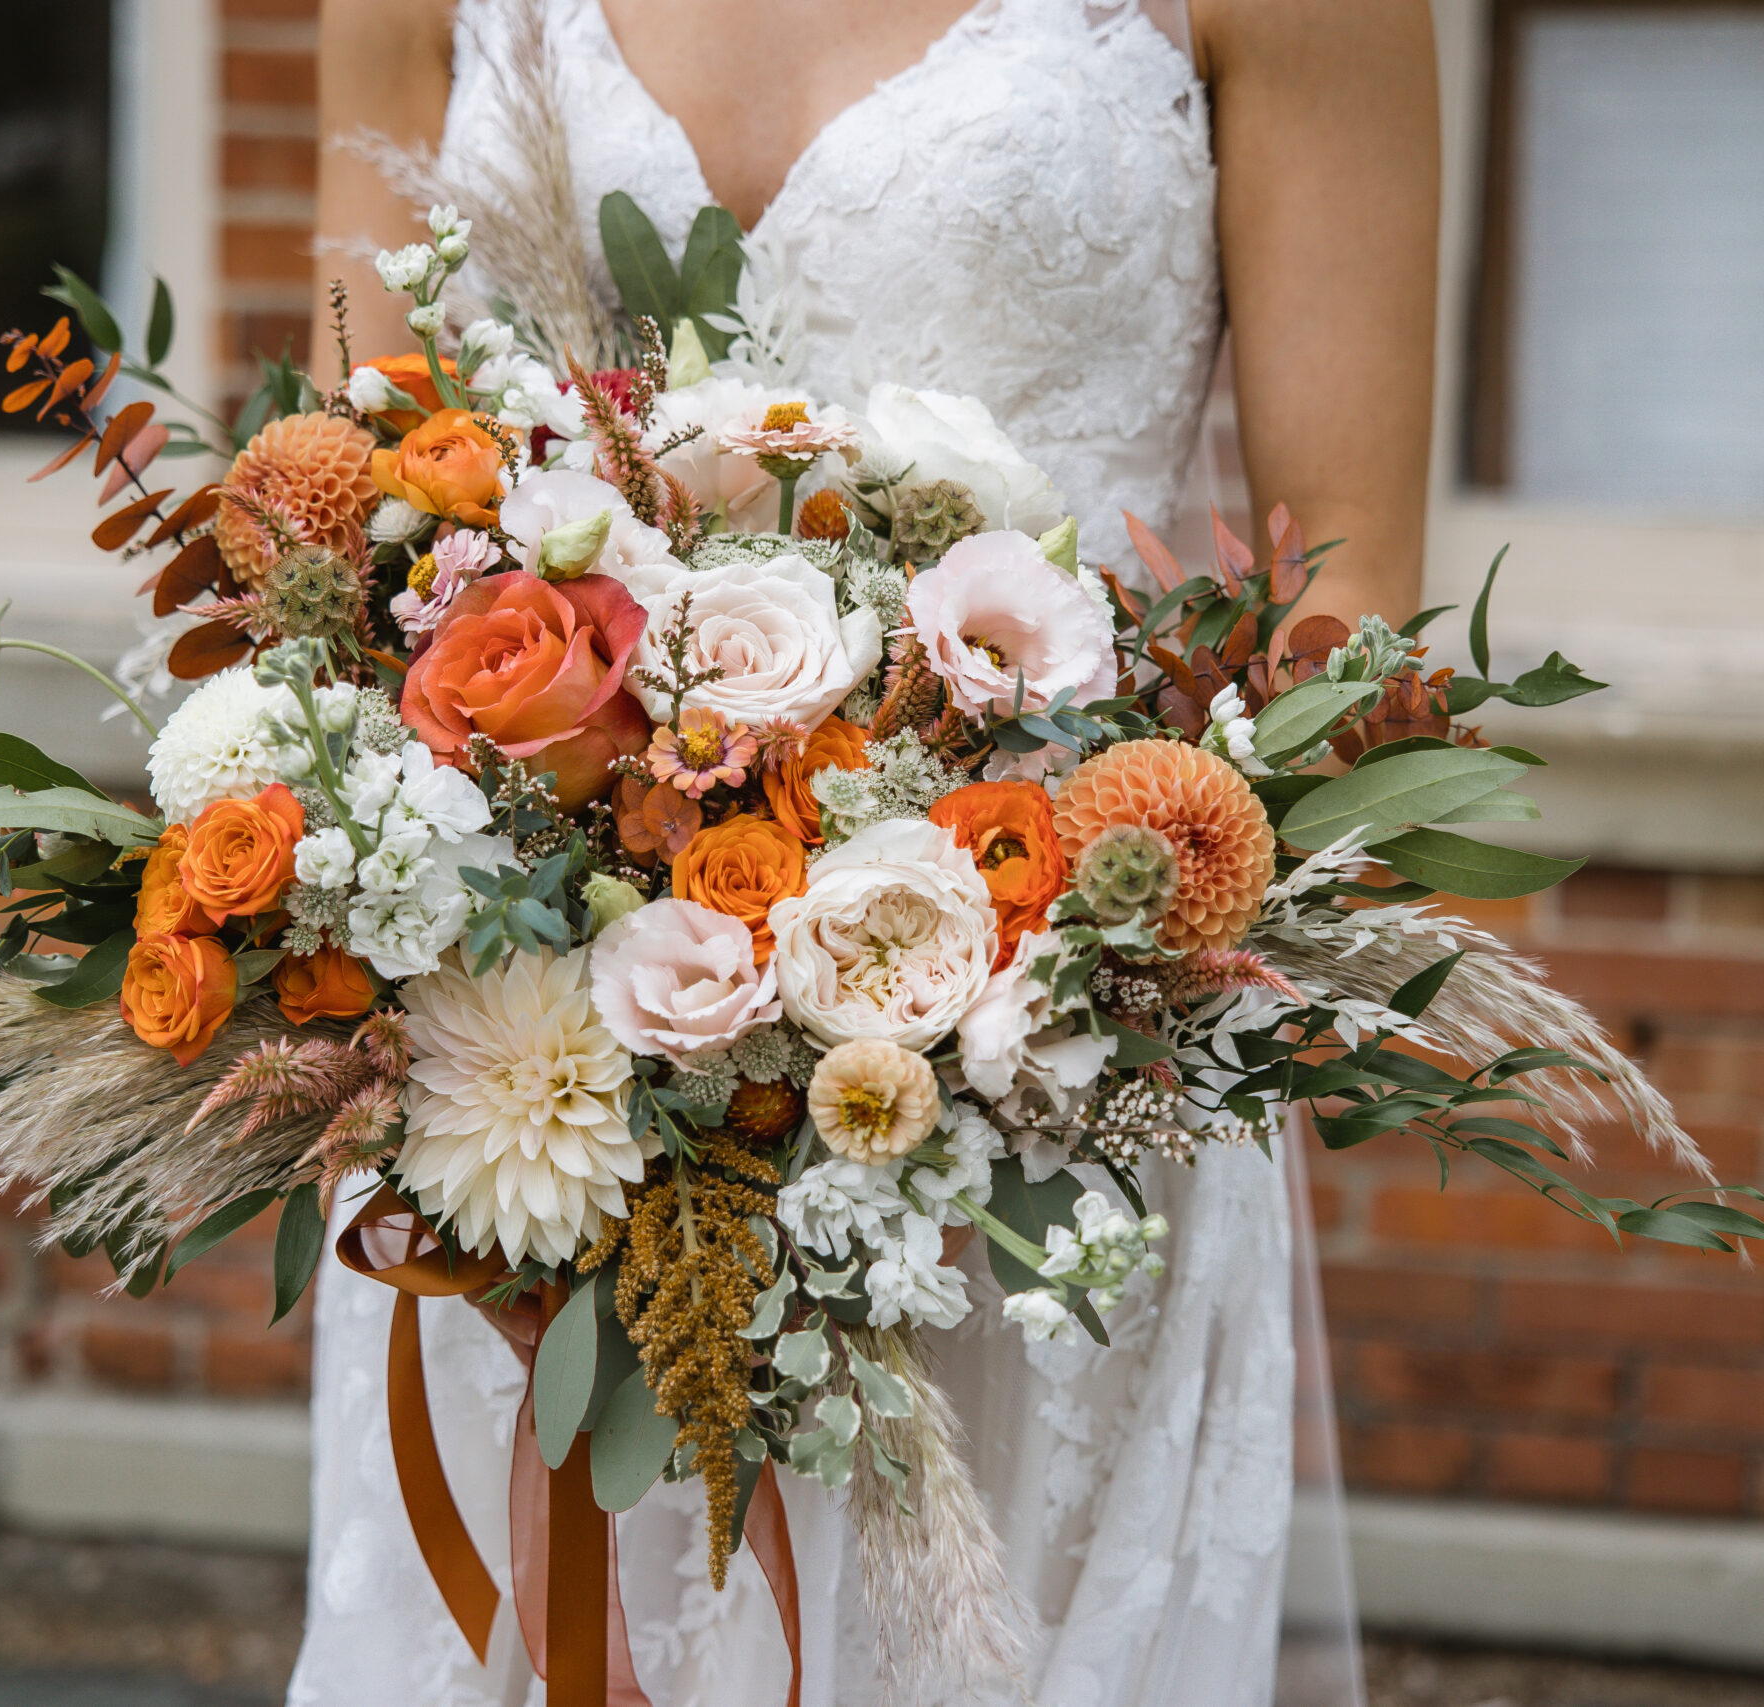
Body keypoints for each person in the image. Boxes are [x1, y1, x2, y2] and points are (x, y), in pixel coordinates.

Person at [293, 3, 1439, 1701]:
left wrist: (1018, 964)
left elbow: (1352, 635)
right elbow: (347, 541)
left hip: (1044, 1086)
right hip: (535, 1090)